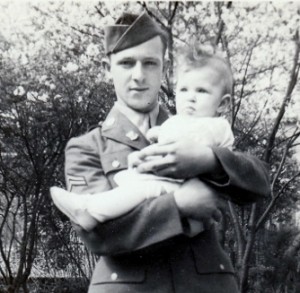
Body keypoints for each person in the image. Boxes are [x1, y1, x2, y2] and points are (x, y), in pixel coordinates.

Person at [62, 11, 270, 293]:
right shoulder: (87, 146)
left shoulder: (197, 125)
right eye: (126, 63)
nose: (138, 75)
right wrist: (180, 205)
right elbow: (97, 234)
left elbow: (259, 183)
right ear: (106, 67)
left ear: (164, 68)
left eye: (149, 63)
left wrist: (208, 160)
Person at [50, 46, 235, 236]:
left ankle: (91, 210)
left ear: (222, 104)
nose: (191, 98)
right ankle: (93, 210)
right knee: (139, 187)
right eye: (184, 89)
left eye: (202, 91)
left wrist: (146, 155)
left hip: (190, 187)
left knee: (145, 188)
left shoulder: (215, 126)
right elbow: (102, 239)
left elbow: (184, 149)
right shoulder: (86, 145)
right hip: (176, 195)